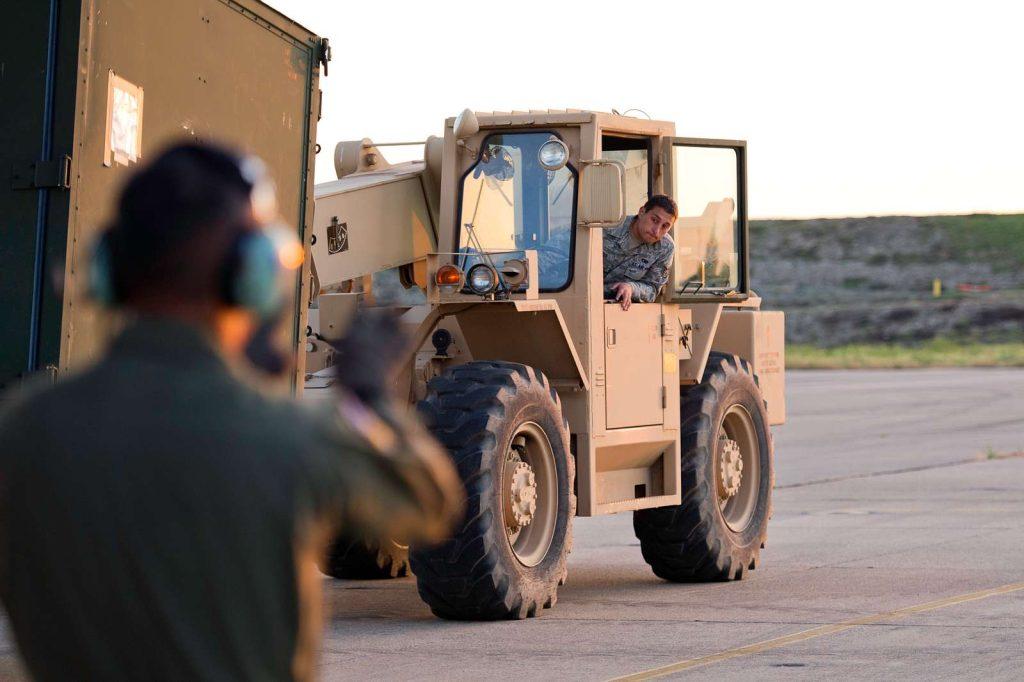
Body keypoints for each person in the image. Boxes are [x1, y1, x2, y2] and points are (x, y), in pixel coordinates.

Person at [0, 142, 462, 681]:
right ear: (252, 273)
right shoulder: (295, 438)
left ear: (109, 268)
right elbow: (429, 505)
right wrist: (367, 401)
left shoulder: (24, 430)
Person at [602, 195, 677, 310]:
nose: (656, 230)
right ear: (642, 212)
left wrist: (631, 288)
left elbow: (653, 289)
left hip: (614, 307)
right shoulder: (606, 227)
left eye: (665, 226)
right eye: (654, 220)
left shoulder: (665, 247)